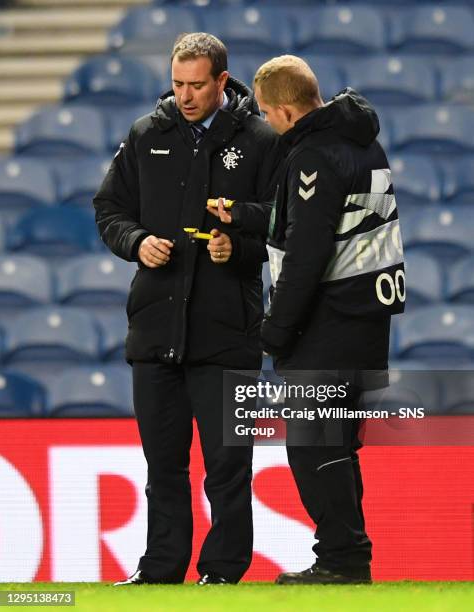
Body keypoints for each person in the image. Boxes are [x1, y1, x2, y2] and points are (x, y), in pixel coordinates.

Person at [93, 33, 279, 585]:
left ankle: (223, 571)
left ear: (223, 80)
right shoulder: (146, 133)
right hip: (155, 329)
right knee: (163, 466)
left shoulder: (263, 139)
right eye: (178, 84)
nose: (185, 95)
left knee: (227, 465)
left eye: (197, 85)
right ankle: (160, 570)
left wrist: (235, 247)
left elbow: (282, 221)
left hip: (227, 330)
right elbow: (109, 208)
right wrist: (135, 241)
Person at [253, 56, 405, 584]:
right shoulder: (365, 142)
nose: (268, 123)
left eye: (270, 114)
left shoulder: (313, 156)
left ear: (290, 110)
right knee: (334, 443)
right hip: (367, 317)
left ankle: (342, 559)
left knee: (313, 443)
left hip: (328, 320)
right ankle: (346, 557)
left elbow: (307, 252)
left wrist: (275, 330)